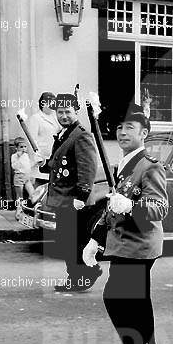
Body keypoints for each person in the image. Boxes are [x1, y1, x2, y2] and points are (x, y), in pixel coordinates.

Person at [83, 104, 168, 344]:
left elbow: (160, 208)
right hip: (125, 244)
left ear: (144, 133)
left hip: (139, 246)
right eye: (119, 127)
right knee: (136, 301)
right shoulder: (124, 166)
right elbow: (112, 210)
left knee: (118, 298)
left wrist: (131, 206)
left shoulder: (148, 167)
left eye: (130, 127)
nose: (122, 132)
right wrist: (95, 239)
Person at [40, 93, 100, 292]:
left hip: (74, 200)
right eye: (60, 112)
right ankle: (81, 275)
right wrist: (45, 165)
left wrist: (81, 196)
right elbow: (61, 163)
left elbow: (88, 168)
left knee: (74, 242)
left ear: (76, 112)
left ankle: (81, 276)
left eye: (67, 112)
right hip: (62, 198)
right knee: (68, 242)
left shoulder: (81, 135)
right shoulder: (65, 133)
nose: (63, 115)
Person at [28, 92, 59, 184]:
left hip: (53, 160)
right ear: (42, 103)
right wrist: (37, 158)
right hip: (40, 161)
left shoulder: (55, 118)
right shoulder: (36, 118)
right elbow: (31, 141)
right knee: (39, 190)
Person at [11, 136, 37, 201]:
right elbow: (14, 166)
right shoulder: (14, 156)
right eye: (21, 147)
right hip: (19, 176)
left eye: (25, 147)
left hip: (27, 176)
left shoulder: (26, 155)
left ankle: (29, 207)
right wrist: (18, 157)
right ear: (16, 148)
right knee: (20, 196)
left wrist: (35, 163)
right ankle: (19, 209)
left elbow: (28, 165)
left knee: (32, 194)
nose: (23, 149)